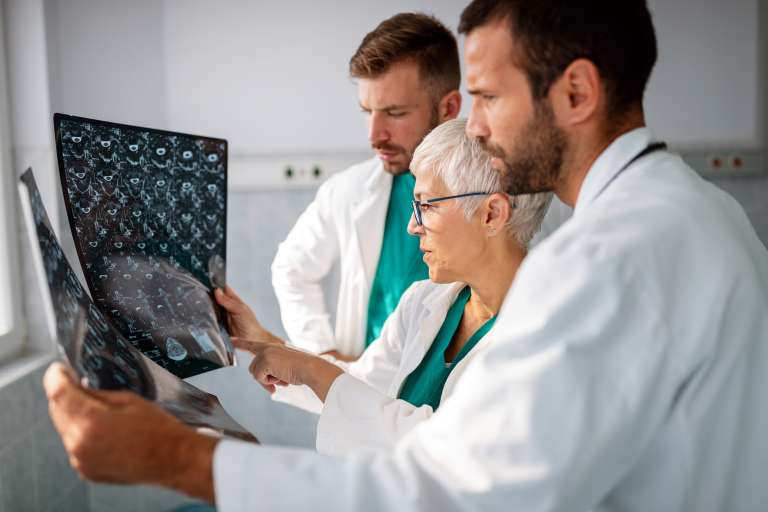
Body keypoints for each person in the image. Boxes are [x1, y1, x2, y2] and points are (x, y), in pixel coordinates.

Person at [44, 1, 768, 511]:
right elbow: (374, 393)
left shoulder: (607, 261)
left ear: (575, 91)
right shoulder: (701, 214)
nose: (473, 126)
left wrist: (177, 459)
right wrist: (266, 344)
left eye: (485, 97)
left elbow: (456, 491)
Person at [217, 118, 551, 454]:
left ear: (492, 214)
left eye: (427, 206)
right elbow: (360, 389)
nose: (411, 226)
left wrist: (311, 369)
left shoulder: (541, 335)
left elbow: (450, 449)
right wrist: (261, 341)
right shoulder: (423, 301)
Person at [269, 12, 461, 362]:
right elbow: (291, 268)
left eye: (395, 112)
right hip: (364, 394)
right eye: (367, 111)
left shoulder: (498, 195)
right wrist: (325, 359)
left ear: (448, 107)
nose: (375, 135)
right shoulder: (348, 190)